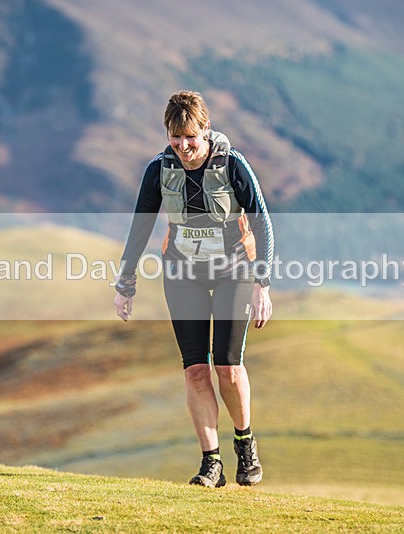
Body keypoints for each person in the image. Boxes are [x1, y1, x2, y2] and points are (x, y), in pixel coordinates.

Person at [114, 90, 274, 488]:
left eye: (190, 137)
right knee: (196, 370)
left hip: (234, 270)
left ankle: (245, 444)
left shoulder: (232, 165)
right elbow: (140, 226)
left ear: (206, 130)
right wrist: (126, 283)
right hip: (182, 273)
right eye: (175, 137)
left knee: (228, 367)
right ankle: (211, 463)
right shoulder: (159, 169)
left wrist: (262, 283)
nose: (183, 146)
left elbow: (262, 224)